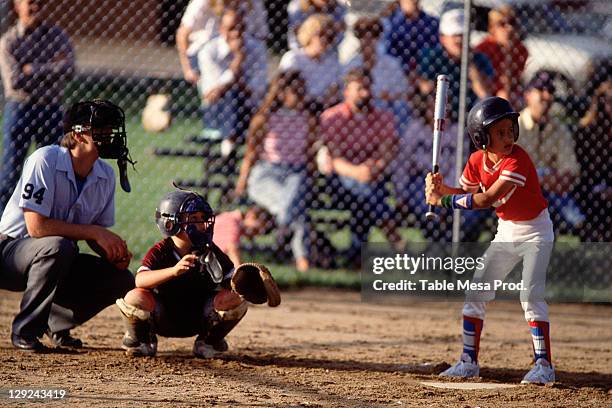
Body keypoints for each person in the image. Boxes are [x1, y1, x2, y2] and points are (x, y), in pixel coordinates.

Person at [426, 97, 556, 384]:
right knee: (476, 292)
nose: (508, 137)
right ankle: (468, 362)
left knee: (530, 296)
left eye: (510, 130)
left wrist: (444, 200)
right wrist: (439, 188)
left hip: (536, 232)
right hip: (507, 231)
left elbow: (486, 199)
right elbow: (465, 190)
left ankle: (544, 366)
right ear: (481, 137)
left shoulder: (517, 160)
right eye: (499, 133)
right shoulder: (476, 161)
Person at [0, 100, 135, 352]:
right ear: (77, 134)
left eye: (111, 129)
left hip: (57, 258)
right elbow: (36, 228)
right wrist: (95, 232)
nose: (109, 134)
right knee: (59, 246)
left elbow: (95, 234)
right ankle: (25, 332)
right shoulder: (46, 159)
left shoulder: (105, 175)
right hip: (9, 252)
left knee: (120, 279)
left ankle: (55, 323)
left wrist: (112, 252)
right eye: (101, 129)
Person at [115, 191, 251, 357]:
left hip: (199, 318)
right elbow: (140, 280)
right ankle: (142, 339)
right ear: (170, 223)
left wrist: (248, 282)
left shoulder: (209, 250)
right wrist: (173, 271)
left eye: (203, 217)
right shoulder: (161, 251)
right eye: (194, 219)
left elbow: (231, 279)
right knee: (134, 297)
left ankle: (208, 342)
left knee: (236, 298)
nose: (201, 224)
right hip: (162, 317)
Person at [318, 67, 403, 264]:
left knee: (366, 198)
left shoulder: (383, 116)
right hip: (340, 179)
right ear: (346, 91)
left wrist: (375, 167)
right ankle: (395, 239)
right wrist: (358, 172)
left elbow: (387, 151)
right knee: (366, 192)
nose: (365, 93)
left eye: (368, 88)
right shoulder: (332, 117)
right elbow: (335, 159)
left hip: (373, 175)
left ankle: (357, 254)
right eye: (359, 89)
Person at [234, 71, 317, 272]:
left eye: (302, 91)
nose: (300, 95)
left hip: (295, 173)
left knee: (293, 200)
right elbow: (251, 153)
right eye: (295, 91)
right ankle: (301, 258)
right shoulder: (264, 119)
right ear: (281, 93)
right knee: (297, 212)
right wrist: (242, 182)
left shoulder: (308, 119)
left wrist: (311, 177)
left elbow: (309, 156)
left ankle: (283, 235)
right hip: (266, 174)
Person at [0, 0, 75, 213]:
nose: (36, 7)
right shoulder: (9, 41)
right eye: (30, 3)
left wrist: (32, 69)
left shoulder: (57, 35)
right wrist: (53, 68)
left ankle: (47, 220)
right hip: (20, 109)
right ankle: (3, 228)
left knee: (52, 171)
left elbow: (69, 69)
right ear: (17, 7)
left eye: (40, 3)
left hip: (51, 109)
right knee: (10, 173)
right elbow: (14, 81)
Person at [390, 94, 488, 241]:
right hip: (421, 182)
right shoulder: (415, 129)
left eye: (446, 108)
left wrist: (443, 193)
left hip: (450, 183)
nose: (444, 112)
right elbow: (402, 165)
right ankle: (437, 246)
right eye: (436, 109)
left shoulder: (457, 132)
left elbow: (457, 168)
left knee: (469, 216)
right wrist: (400, 194)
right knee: (424, 205)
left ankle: (453, 249)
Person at [517, 71, 585, 234]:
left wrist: (556, 179)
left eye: (551, 91)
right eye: (540, 90)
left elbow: (570, 169)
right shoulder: (514, 126)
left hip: (551, 191)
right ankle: (575, 219)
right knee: (543, 173)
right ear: (527, 95)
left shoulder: (560, 129)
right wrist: (544, 178)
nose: (546, 96)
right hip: (519, 191)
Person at [197, 8, 268, 151]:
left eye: (240, 28)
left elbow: (257, 91)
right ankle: (229, 147)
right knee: (232, 94)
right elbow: (211, 95)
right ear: (221, 29)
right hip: (216, 112)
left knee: (235, 93)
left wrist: (232, 82)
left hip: (249, 110)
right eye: (231, 29)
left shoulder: (257, 49)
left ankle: (227, 148)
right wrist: (238, 60)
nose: (236, 33)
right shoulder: (209, 51)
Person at [417, 8, 494, 123]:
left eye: (463, 35)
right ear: (443, 38)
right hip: (438, 115)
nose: (459, 39)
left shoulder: (478, 58)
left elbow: (484, 93)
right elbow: (424, 88)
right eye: (454, 35)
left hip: (470, 116)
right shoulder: (433, 57)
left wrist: (468, 62)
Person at [175, 0, 268, 85]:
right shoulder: (202, 2)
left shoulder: (254, 3)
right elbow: (182, 33)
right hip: (205, 53)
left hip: (240, 51)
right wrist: (188, 70)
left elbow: (261, 35)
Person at [343, 16, 410, 134]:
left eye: (373, 35)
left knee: (401, 107)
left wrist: (389, 96)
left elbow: (403, 92)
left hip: (385, 108)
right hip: (358, 107)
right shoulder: (351, 64)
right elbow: (344, 92)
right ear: (358, 38)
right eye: (363, 35)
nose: (368, 39)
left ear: (378, 37)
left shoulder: (391, 63)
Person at [279, 13, 342, 112]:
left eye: (330, 36)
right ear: (309, 34)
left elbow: (334, 91)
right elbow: (289, 92)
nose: (325, 40)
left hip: (324, 109)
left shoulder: (332, 61)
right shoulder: (293, 58)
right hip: (298, 110)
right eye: (321, 34)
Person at [574, 81, 611, 242]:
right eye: (609, 101)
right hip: (590, 188)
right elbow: (584, 170)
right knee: (597, 202)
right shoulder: (587, 130)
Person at [475, 5, 528, 107]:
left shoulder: (521, 50)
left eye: (512, 22)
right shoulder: (483, 49)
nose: (510, 28)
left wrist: (508, 52)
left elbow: (513, 82)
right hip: (485, 95)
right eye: (502, 24)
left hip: (509, 93)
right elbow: (486, 85)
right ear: (492, 28)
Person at [381, 0, 439, 76]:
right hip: (396, 73)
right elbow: (386, 53)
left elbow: (436, 51)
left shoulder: (432, 23)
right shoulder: (388, 22)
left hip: (425, 74)